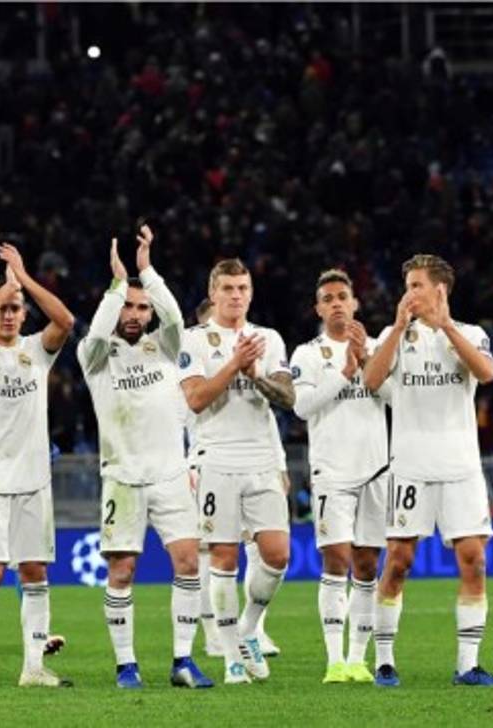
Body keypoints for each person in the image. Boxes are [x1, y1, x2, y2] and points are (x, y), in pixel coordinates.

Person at [362, 253, 493, 688]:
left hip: (460, 467)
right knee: (399, 562)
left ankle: (467, 665)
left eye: (416, 285)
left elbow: (486, 373)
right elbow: (371, 381)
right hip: (410, 467)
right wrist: (395, 329)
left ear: (439, 289)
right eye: (407, 285)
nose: (408, 293)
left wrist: (445, 326)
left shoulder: (470, 333)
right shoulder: (394, 336)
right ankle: (384, 661)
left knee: (474, 561)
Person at [78, 226, 213, 689]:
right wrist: (117, 286)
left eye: (141, 307)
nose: (134, 314)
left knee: (189, 563)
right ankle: (126, 665)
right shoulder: (96, 355)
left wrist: (147, 271)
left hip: (171, 476)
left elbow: (174, 315)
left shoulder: (166, 347)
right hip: (123, 478)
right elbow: (98, 327)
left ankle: (183, 661)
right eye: (127, 307)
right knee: (122, 570)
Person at [0, 242, 75, 688]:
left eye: (15, 308)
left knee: (34, 572)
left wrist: (22, 280)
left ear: (24, 314)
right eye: (2, 308)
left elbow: (65, 321)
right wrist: (1, 291)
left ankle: (34, 668)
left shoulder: (36, 351)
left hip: (33, 480)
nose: (8, 315)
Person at [178, 258, 294, 684]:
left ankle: (247, 630)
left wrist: (256, 372)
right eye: (228, 288)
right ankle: (230, 658)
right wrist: (233, 365)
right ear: (213, 294)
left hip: (261, 459)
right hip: (216, 458)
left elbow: (288, 398)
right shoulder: (193, 340)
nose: (236, 295)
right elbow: (195, 399)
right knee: (224, 557)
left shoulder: (269, 338)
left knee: (278, 555)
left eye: (243, 288)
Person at [290, 269, 389, 684]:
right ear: (318, 308)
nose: (336, 304)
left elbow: (394, 397)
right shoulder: (307, 354)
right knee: (336, 559)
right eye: (328, 298)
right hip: (331, 471)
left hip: (376, 469)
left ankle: (357, 659)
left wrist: (366, 361)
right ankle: (334, 661)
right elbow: (302, 407)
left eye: (342, 297)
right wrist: (345, 372)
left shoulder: (378, 346)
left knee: (367, 564)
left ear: (355, 303)